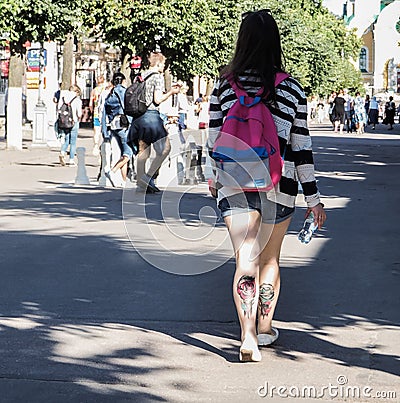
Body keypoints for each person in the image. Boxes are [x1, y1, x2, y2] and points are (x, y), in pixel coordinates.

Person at [207, 9, 326, 362]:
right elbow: (301, 148)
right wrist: (314, 199)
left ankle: (246, 337)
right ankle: (264, 327)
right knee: (270, 258)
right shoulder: (291, 89)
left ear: (241, 41)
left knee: (245, 257)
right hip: (281, 185)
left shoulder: (224, 86)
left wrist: (214, 178)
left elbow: (213, 138)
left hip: (233, 184)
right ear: (275, 43)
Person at [128, 52, 180, 193]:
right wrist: (171, 92)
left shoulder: (142, 75)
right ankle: (149, 176)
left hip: (139, 117)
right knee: (165, 148)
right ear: (158, 63)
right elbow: (157, 99)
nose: (164, 67)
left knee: (143, 149)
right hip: (151, 116)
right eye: (163, 64)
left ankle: (140, 180)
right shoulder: (157, 77)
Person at [101, 72, 133, 187]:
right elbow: (128, 108)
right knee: (128, 153)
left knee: (123, 154)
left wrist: (105, 131)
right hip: (124, 126)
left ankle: (124, 181)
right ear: (123, 81)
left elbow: (104, 113)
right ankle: (112, 171)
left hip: (113, 126)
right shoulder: (123, 92)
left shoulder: (110, 94)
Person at [58, 85, 82, 166]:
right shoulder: (77, 100)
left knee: (67, 139)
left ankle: (62, 152)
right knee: (73, 142)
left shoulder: (63, 98)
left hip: (64, 122)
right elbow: (79, 113)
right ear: (76, 92)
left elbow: (59, 108)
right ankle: (71, 160)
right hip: (74, 122)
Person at [89, 75, 106, 156]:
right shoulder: (105, 90)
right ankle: (102, 146)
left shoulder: (94, 90)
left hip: (96, 112)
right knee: (104, 130)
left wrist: (92, 110)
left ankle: (95, 145)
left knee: (96, 131)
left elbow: (90, 104)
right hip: (104, 112)